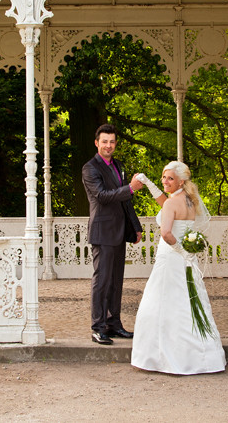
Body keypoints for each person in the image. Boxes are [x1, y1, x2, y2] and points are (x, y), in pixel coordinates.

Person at [131, 161, 226, 375]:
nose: (165, 181)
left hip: (171, 256)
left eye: (170, 178)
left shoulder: (171, 204)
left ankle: (160, 357)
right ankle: (200, 356)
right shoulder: (190, 201)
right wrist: (148, 184)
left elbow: (166, 233)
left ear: (180, 181)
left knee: (160, 303)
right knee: (188, 302)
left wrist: (181, 251)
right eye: (163, 177)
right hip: (186, 260)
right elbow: (165, 201)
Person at [82, 124, 144, 345]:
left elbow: (125, 201)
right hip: (102, 231)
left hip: (119, 232)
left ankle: (114, 324)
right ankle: (98, 327)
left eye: (112, 142)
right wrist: (131, 188)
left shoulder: (118, 165)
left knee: (116, 281)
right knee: (102, 281)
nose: (109, 145)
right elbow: (102, 196)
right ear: (97, 143)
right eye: (104, 141)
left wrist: (135, 227)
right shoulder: (90, 168)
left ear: (115, 144)